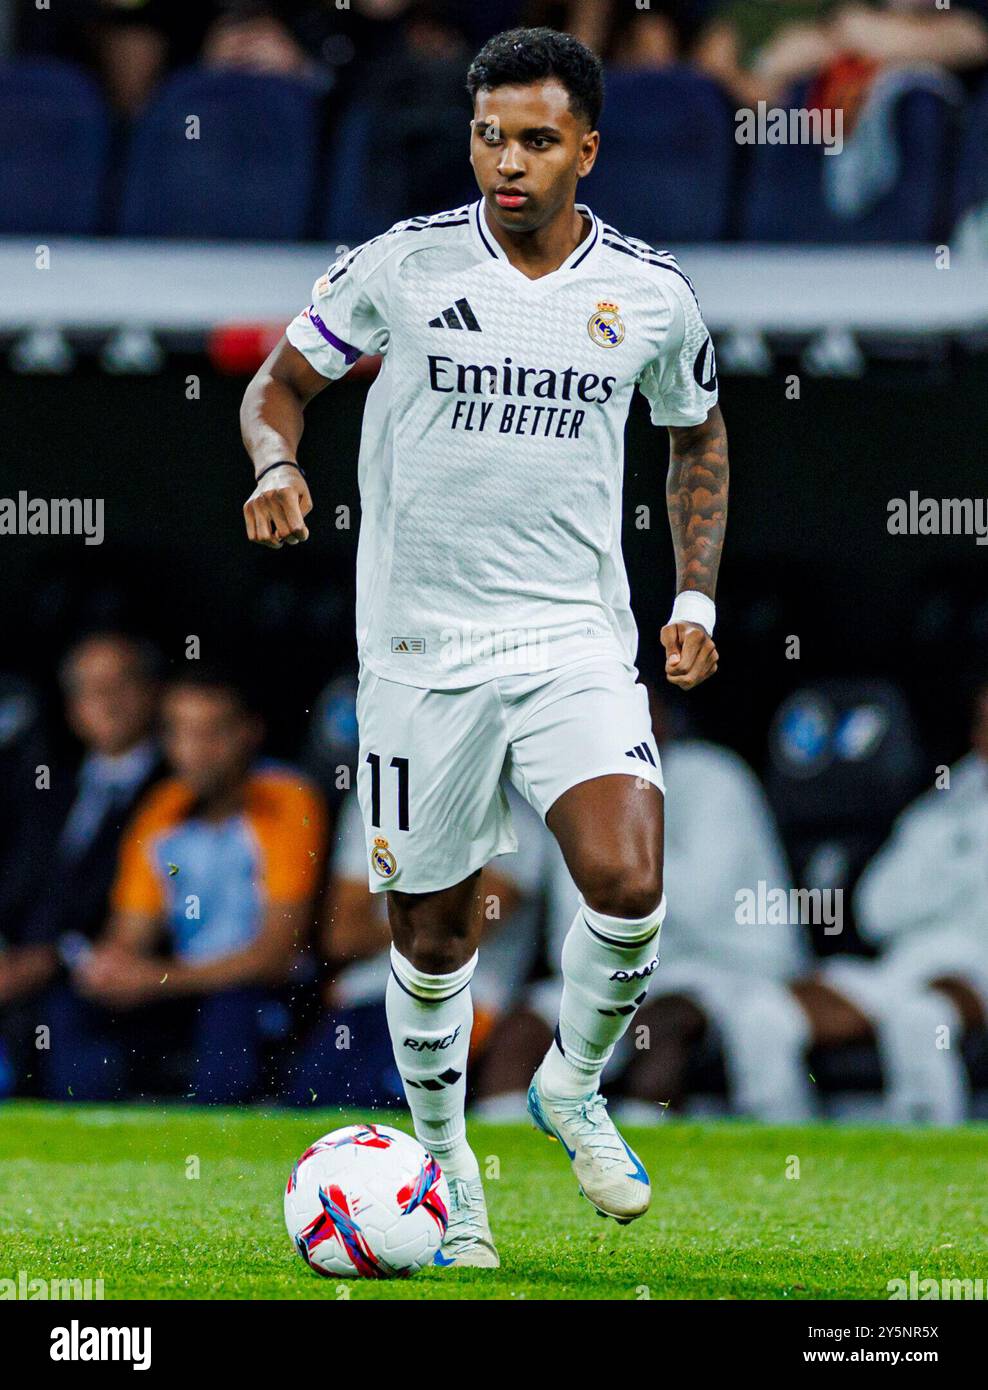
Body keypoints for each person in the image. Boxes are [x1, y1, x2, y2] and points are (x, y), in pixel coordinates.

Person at [240, 26, 728, 1266]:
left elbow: (698, 438)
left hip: (572, 638)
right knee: (432, 937)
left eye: (536, 140)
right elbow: (275, 384)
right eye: (489, 136)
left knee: (627, 879)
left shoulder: (649, 292)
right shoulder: (400, 268)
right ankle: (448, 1167)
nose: (507, 162)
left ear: (587, 150)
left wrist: (695, 601)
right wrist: (278, 461)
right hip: (418, 653)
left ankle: (569, 1085)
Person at [476, 687, 807, 1119]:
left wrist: (614, 840)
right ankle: (513, 1179)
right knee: (517, 1036)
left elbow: (703, 902)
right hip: (608, 972)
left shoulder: (712, 775)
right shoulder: (573, 792)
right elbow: (568, 926)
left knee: (661, 1029)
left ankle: (631, 1174)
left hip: (723, 968)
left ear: (659, 718)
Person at [46, 666, 326, 1103]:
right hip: (183, 988)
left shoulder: (286, 799)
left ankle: (222, 1146)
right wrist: (111, 970)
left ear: (250, 733)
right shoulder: (162, 807)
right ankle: (98, 1137)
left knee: (230, 1015)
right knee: (70, 1010)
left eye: (213, 733)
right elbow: (130, 932)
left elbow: (277, 954)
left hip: (267, 992)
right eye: (180, 732)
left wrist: (157, 977)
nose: (195, 750)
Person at [757, 675, 988, 1125]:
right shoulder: (950, 797)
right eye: (983, 720)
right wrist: (956, 863)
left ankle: (934, 1174)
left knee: (920, 1020)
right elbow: (876, 911)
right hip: (904, 966)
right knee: (762, 1015)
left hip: (975, 973)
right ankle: (782, 1164)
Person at [282, 781, 548, 1107]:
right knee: (307, 1102)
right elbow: (342, 936)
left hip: (461, 998)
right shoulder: (379, 793)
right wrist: (430, 917)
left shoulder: (515, 813)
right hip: (365, 992)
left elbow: (455, 934)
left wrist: (388, 919)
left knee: (379, 1104)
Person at [0, 633, 164, 1092]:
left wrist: (53, 957)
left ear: (152, 692)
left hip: (112, 977)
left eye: (121, 684)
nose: (106, 702)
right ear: (73, 708)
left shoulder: (177, 787)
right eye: (90, 689)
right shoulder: (45, 789)